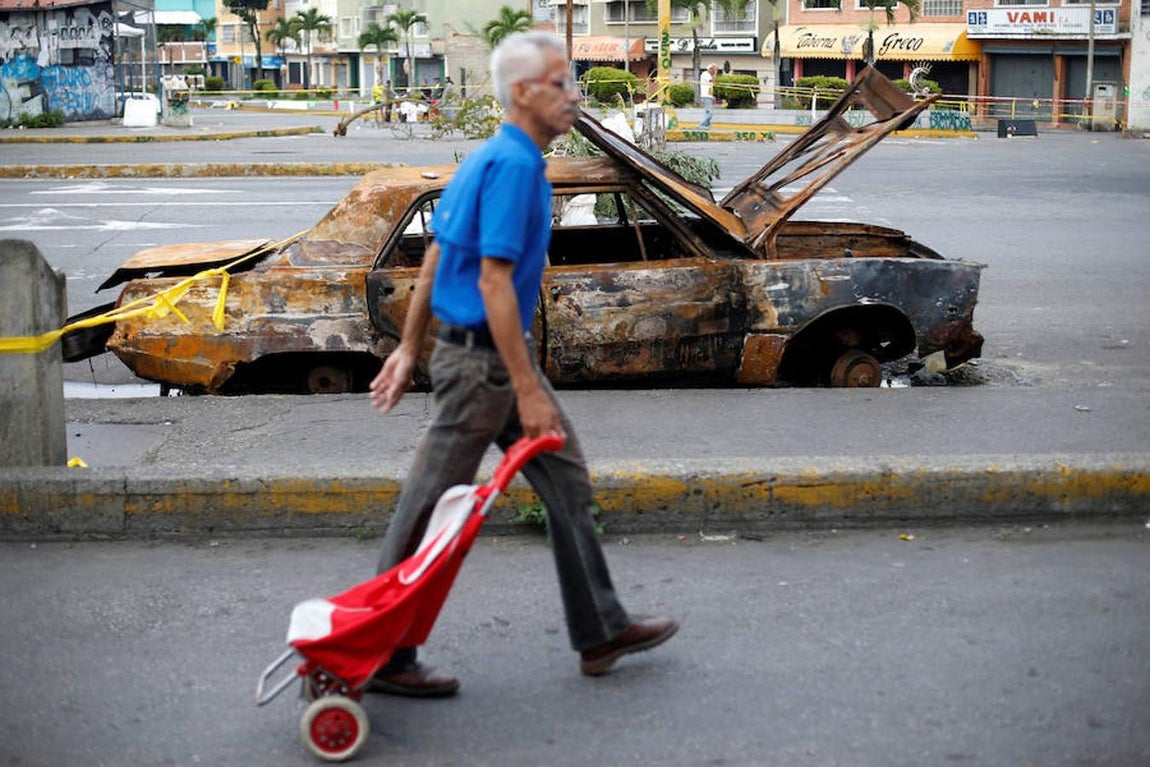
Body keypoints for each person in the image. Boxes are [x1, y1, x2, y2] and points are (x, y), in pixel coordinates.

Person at [367, 31, 678, 698]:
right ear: (522, 93)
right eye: (561, 82)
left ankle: (600, 630)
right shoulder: (512, 167)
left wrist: (409, 347)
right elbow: (493, 283)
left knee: (565, 481)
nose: (575, 94)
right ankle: (383, 650)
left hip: (482, 359)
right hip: (484, 368)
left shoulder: (493, 157)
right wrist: (528, 386)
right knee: (428, 506)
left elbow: (435, 255)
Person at [698, 64, 717, 130]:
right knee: (710, 113)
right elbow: (713, 81)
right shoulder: (705, 74)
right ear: (710, 69)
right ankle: (702, 124)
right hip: (706, 96)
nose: (714, 71)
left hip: (708, 96)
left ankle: (706, 125)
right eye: (713, 70)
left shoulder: (708, 75)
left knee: (708, 112)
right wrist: (716, 72)